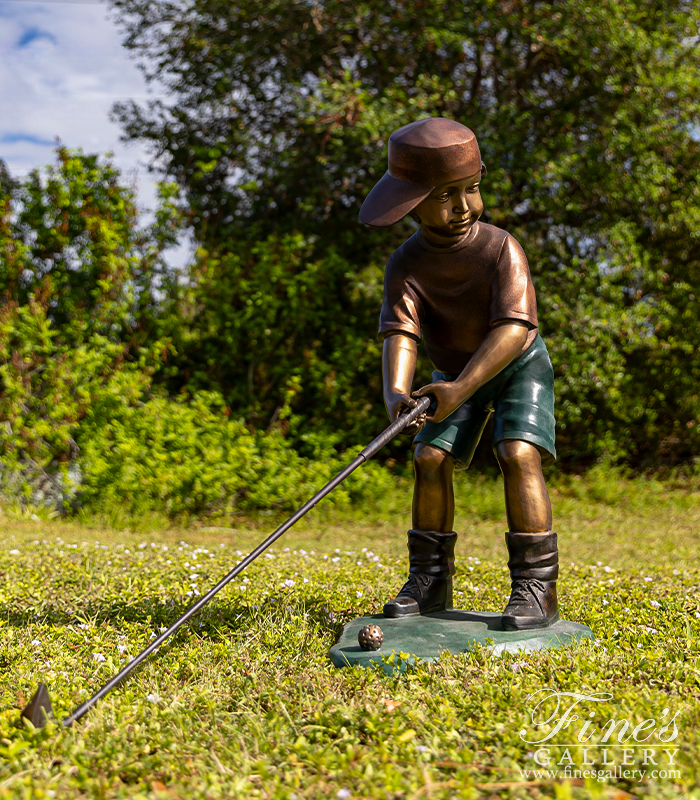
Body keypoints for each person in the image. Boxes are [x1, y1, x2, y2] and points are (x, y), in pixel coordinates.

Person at [359, 117, 559, 630]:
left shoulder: (500, 248)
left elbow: (514, 329)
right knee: (429, 457)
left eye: (471, 189)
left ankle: (536, 588)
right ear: (410, 204)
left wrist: (461, 387)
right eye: (446, 196)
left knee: (517, 453)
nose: (464, 206)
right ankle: (429, 582)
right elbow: (400, 333)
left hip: (515, 367)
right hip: (450, 376)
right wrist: (397, 395)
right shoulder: (405, 264)